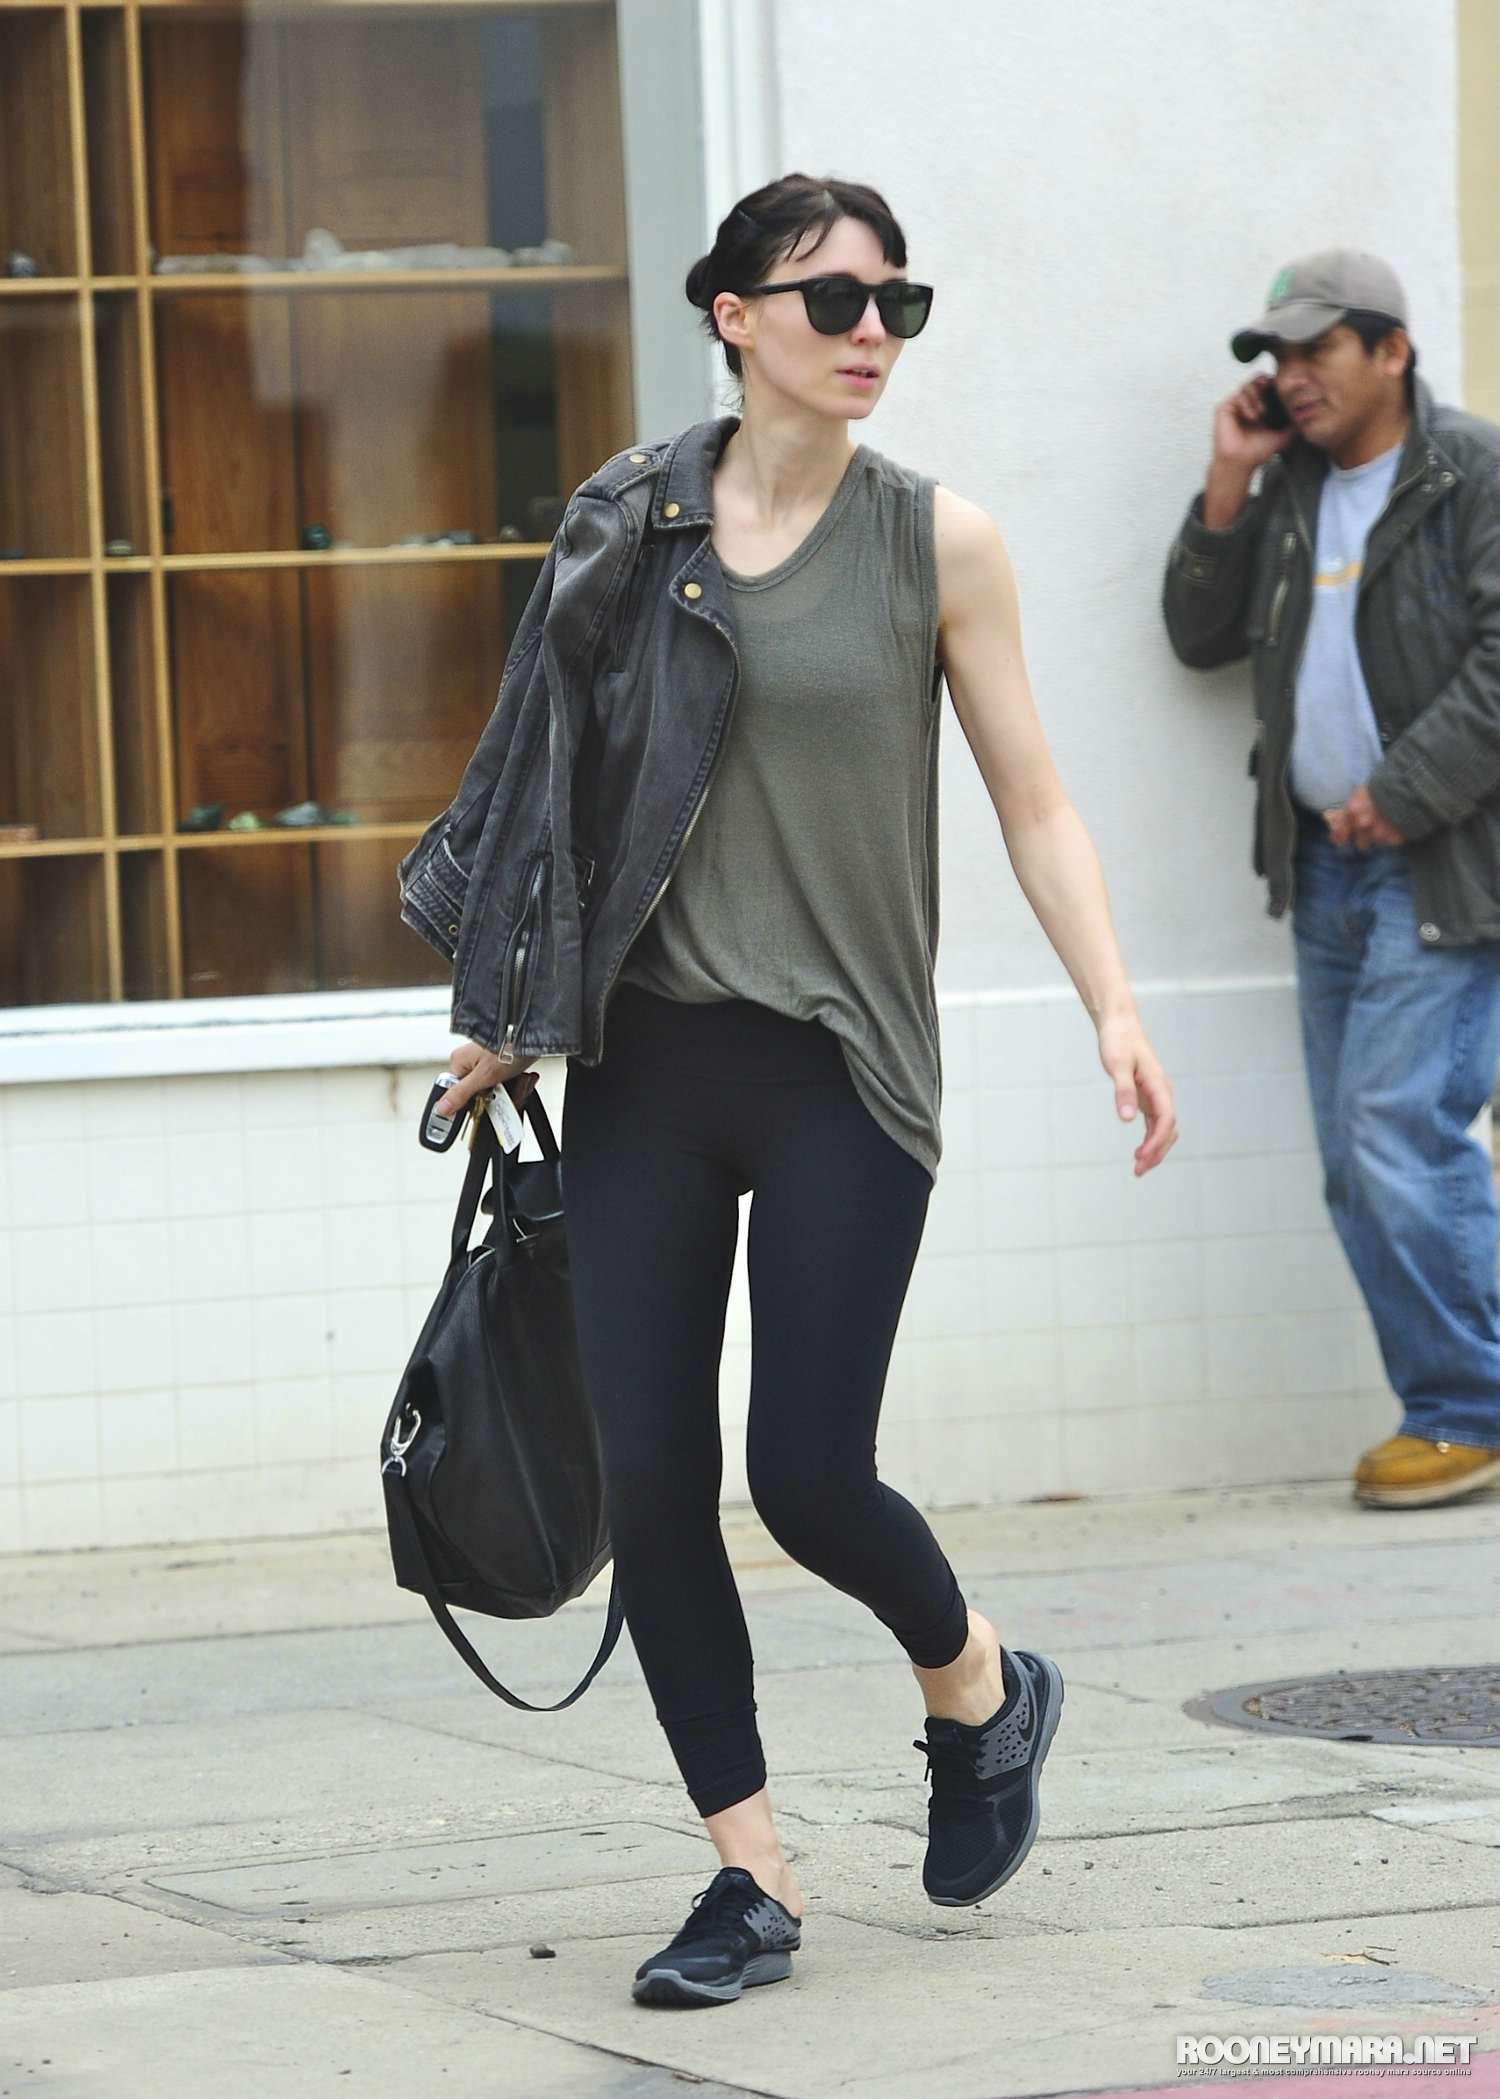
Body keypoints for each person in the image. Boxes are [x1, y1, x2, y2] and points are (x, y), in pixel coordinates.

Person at [402, 173, 1176, 2009]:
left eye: (897, 301)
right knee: (656, 1480)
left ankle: (978, 1681)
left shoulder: (937, 543)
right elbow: (551, 777)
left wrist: (1115, 1004)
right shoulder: (628, 519)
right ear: (733, 315)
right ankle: (748, 1872)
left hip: (843, 1061)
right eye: (832, 299)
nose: (871, 331)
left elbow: (1036, 798)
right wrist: (506, 1007)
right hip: (651, 1059)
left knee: (810, 1471)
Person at [1163, 249, 1500, 1511]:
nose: (1292, 376)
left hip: (1440, 865)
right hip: (1322, 869)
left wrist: (1403, 790)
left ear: (1392, 349)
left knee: (1398, 1129)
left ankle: (1470, 1410)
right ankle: (1458, 1404)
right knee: (1361, 1156)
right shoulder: (1292, 486)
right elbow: (1198, 634)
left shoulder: (1472, 472)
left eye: (1318, 350)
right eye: (1277, 356)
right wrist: (1228, 482)